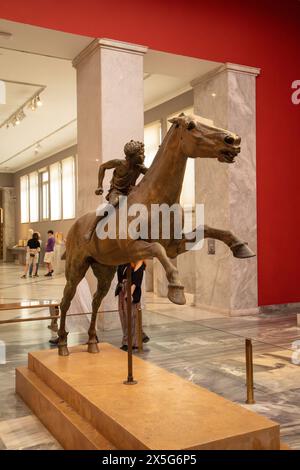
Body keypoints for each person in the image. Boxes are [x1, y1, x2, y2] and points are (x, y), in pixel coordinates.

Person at [86, 140, 148, 239]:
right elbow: (102, 167)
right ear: (131, 157)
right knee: (111, 206)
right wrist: (99, 186)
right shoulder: (119, 163)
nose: (143, 156)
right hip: (117, 192)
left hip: (130, 192)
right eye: (141, 154)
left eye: (143, 154)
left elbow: (152, 173)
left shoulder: (139, 167)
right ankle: (91, 229)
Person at [116, 260, 150, 351]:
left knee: (132, 316)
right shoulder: (123, 261)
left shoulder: (139, 262)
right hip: (121, 289)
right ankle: (138, 336)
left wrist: (130, 292)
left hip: (131, 290)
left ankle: (130, 342)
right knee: (123, 315)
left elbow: (137, 279)